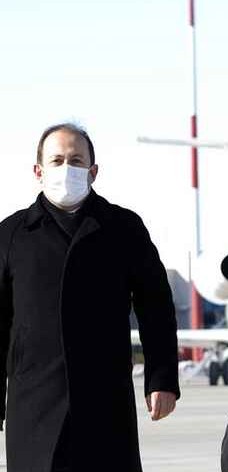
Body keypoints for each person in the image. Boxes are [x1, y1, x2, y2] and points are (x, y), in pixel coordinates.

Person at [0, 123, 180, 472]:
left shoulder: (124, 228)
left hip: (105, 398)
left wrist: (162, 379)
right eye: (56, 160)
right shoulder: (11, 235)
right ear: (38, 171)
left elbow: (156, 308)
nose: (66, 168)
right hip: (34, 401)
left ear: (93, 171)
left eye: (75, 160)